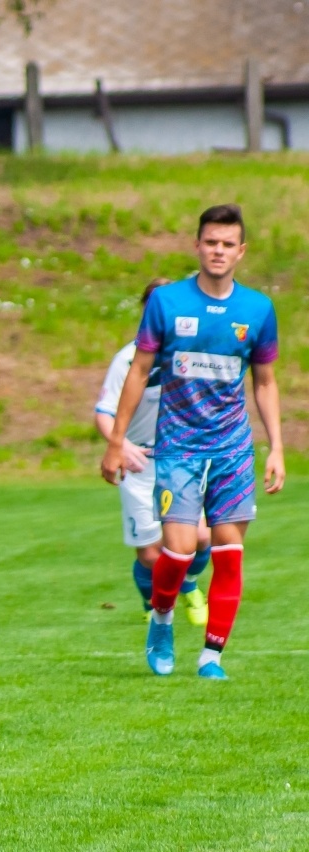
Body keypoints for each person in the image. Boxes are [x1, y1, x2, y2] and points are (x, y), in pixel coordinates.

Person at [100, 204, 284, 679]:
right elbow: (138, 372)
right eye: (211, 242)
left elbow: (264, 381)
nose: (218, 251)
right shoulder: (167, 303)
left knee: (228, 550)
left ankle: (211, 657)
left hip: (232, 449)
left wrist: (277, 448)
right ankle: (161, 621)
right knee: (178, 552)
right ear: (196, 246)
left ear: (241, 252)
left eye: (228, 244)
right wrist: (115, 442)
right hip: (178, 447)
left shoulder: (258, 309)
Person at [93, 278, 211, 623]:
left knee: (201, 537)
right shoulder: (127, 359)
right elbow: (104, 412)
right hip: (140, 463)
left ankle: (186, 584)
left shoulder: (193, 355)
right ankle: (155, 605)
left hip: (182, 459)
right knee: (149, 553)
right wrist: (121, 445)